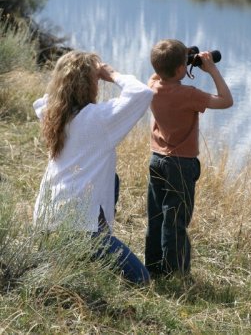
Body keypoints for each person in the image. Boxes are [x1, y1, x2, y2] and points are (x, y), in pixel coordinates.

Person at [33, 50, 153, 284]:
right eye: (95, 80)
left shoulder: (52, 113)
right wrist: (111, 73)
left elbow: (48, 98)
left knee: (112, 178)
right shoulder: (97, 119)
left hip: (47, 220)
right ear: (88, 84)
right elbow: (142, 93)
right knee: (142, 280)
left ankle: (77, 256)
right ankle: (89, 250)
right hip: (82, 228)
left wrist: (73, 73)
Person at [145, 39, 233, 277]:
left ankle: (153, 268)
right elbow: (226, 100)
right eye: (185, 62)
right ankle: (175, 274)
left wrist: (182, 59)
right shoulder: (189, 95)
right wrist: (211, 69)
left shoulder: (152, 87)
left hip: (157, 160)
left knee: (156, 216)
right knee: (176, 220)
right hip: (180, 165)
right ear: (181, 69)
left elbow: (159, 71)